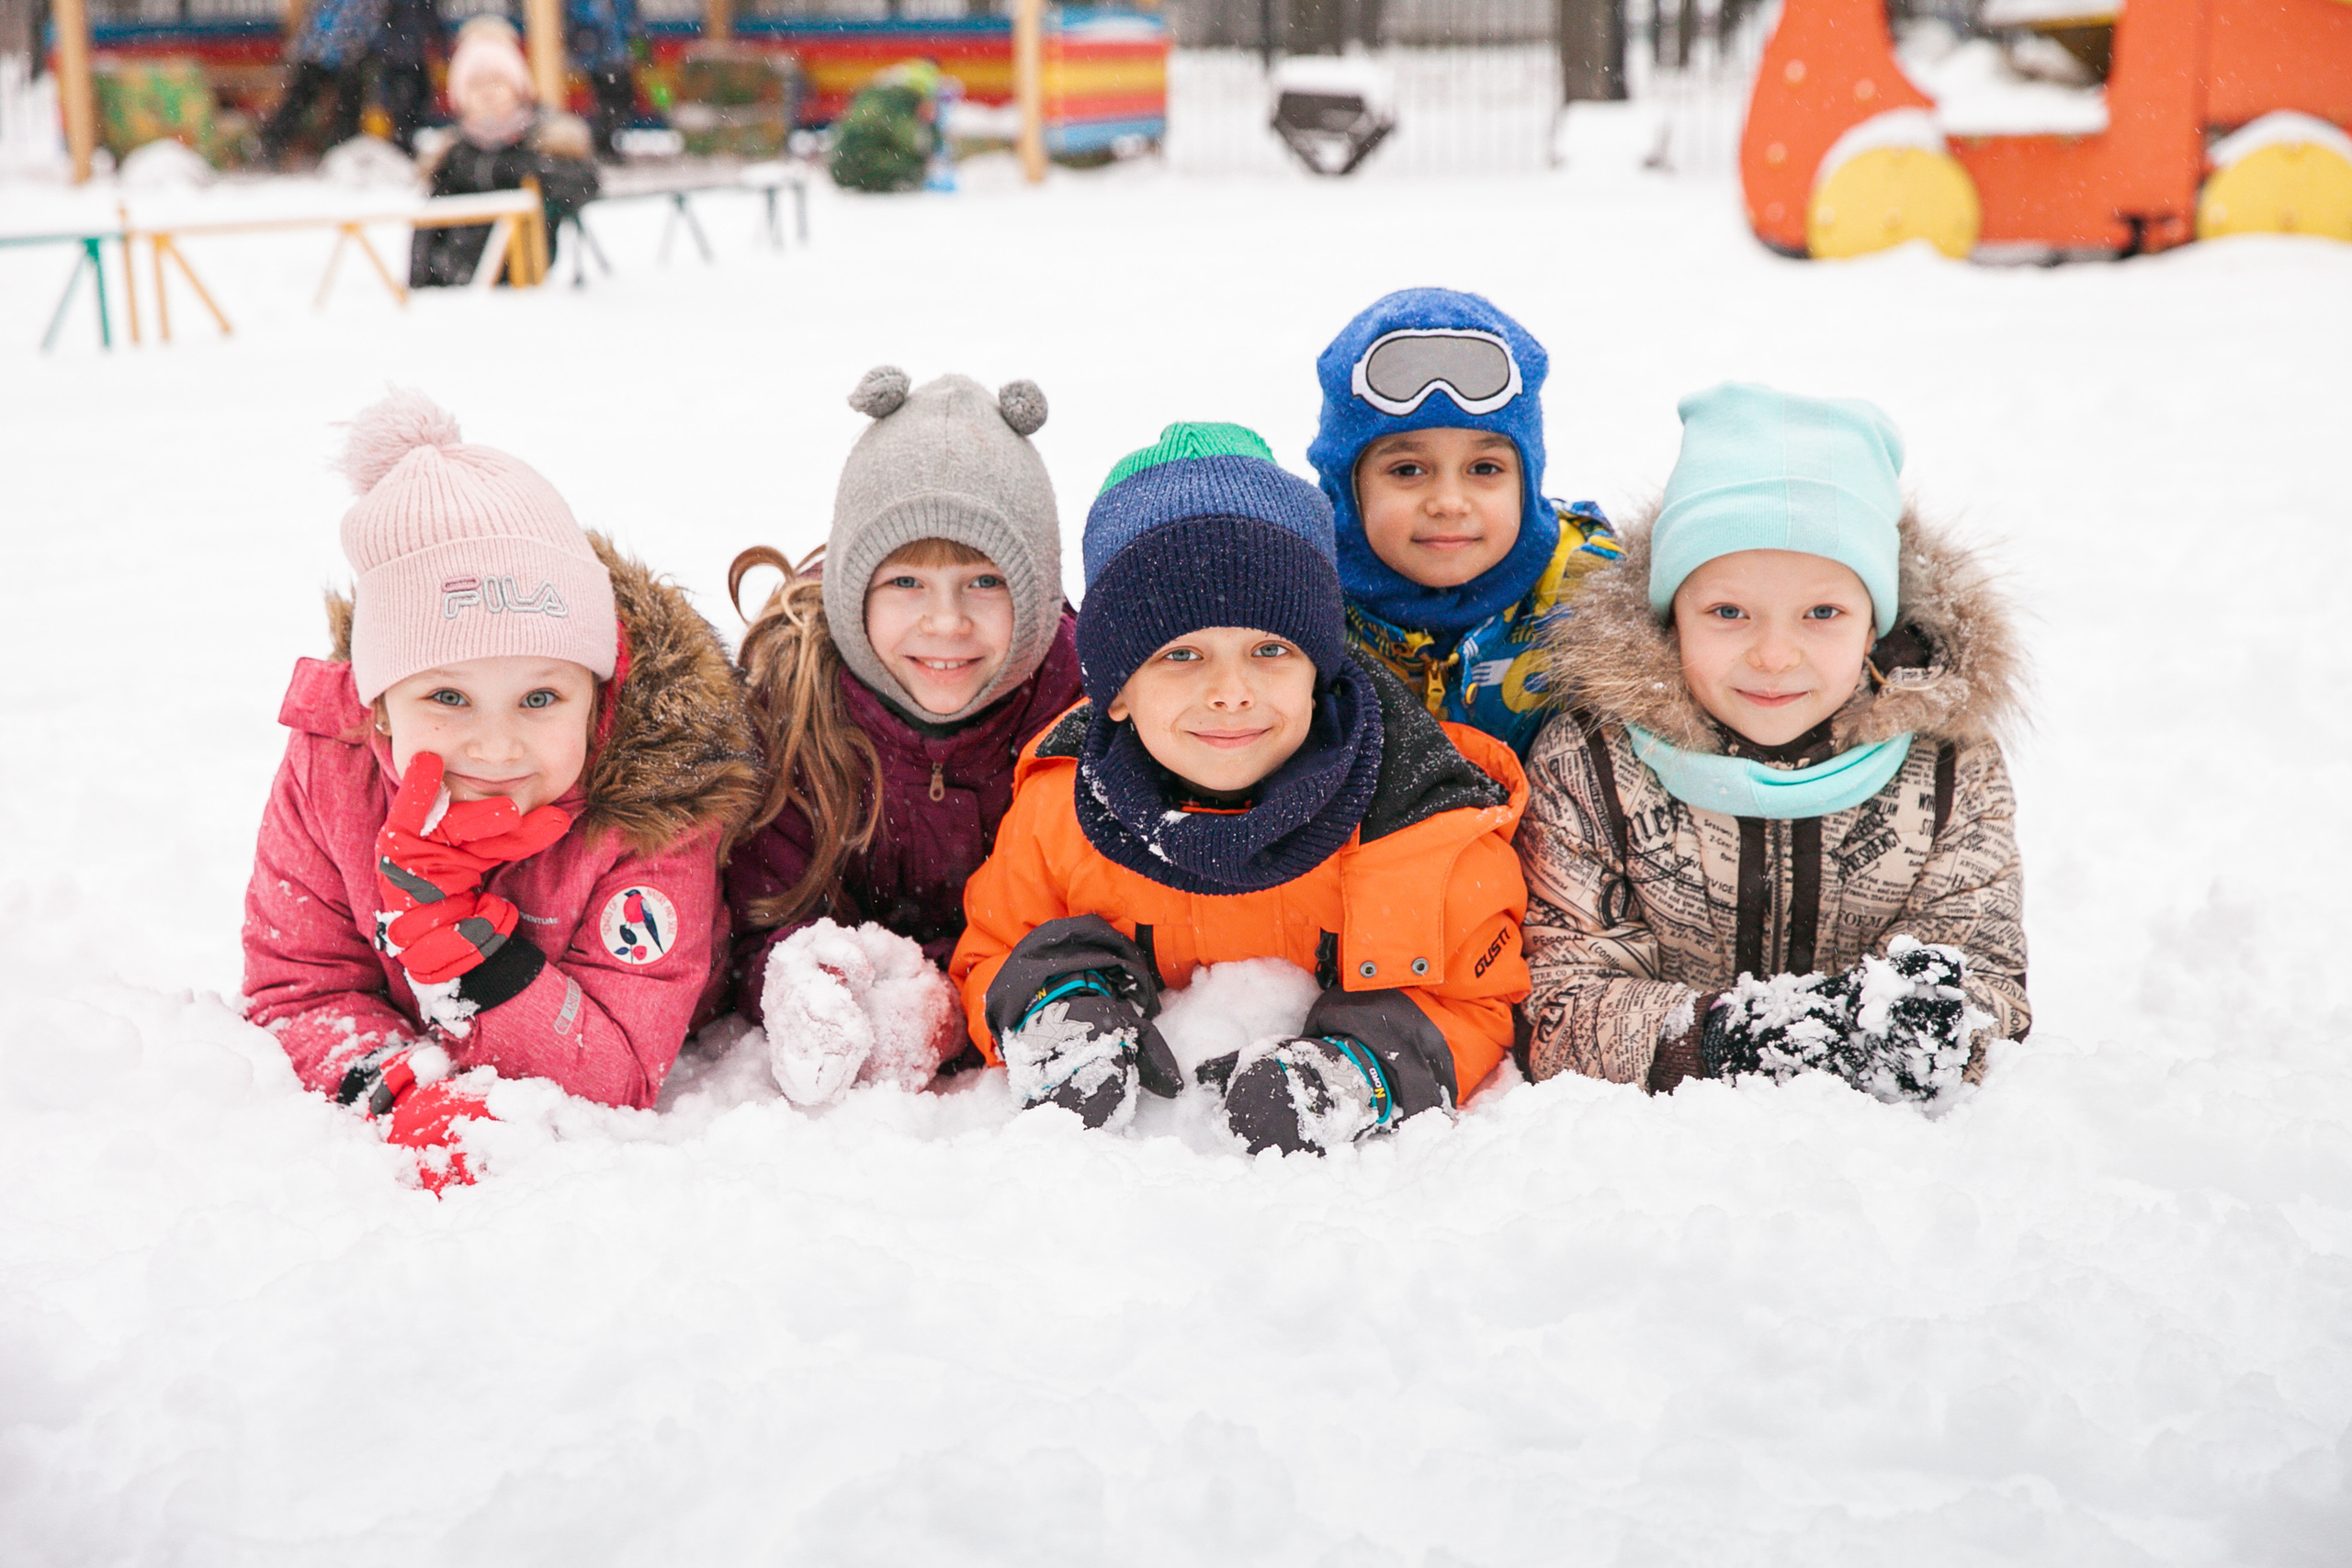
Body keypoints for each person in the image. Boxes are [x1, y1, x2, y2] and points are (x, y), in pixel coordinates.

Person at [948, 423, 1532, 1155]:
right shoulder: (1064, 805)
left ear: (1320, 670)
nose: (1230, 693)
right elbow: (997, 947)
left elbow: (1475, 998)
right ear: (1116, 692)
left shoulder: (1416, 818)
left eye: (1269, 649)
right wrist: (1051, 1009)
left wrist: (1361, 1072)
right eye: (1182, 654)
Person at [241, 390, 759, 1189]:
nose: (495, 744)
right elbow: (297, 991)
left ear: (600, 696)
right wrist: (398, 1085)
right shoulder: (331, 769)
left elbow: (620, 1074)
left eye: (541, 698)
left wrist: (473, 956)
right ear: (377, 703)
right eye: (446, 699)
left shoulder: (655, 801)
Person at [1515, 383, 2030, 1102]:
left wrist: (1930, 1024)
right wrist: (1742, 1037)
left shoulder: (1946, 766)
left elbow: (1989, 981)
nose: (1775, 655)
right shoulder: (1593, 761)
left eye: (1823, 612)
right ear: (1673, 617)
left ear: (1874, 624)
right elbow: (1559, 1001)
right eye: (1730, 612)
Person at [726, 367, 1081, 1106]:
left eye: (985, 581)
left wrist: (950, 1000)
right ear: (853, 590)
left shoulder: (1076, 712)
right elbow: (761, 909)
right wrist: (802, 977)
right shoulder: (799, 705)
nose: (946, 622)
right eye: (906, 583)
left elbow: (1083, 923)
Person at [1307, 287, 1623, 760]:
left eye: (1484, 469)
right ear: (1346, 489)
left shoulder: (1589, 593)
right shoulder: (1301, 604)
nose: (1449, 503)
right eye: (1408, 470)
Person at [408, 17, 598, 288]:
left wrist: (520, 169)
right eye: (475, 85)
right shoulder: (454, 154)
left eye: (498, 82)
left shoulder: (548, 142)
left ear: (519, 88)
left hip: (525, 281)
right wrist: (420, 284)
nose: (487, 93)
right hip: (457, 283)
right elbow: (428, 228)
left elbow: (582, 185)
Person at [257, 0, 383, 164]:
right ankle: (274, 145)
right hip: (331, 53)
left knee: (312, 102)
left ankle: (275, 144)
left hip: (327, 52)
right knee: (307, 102)